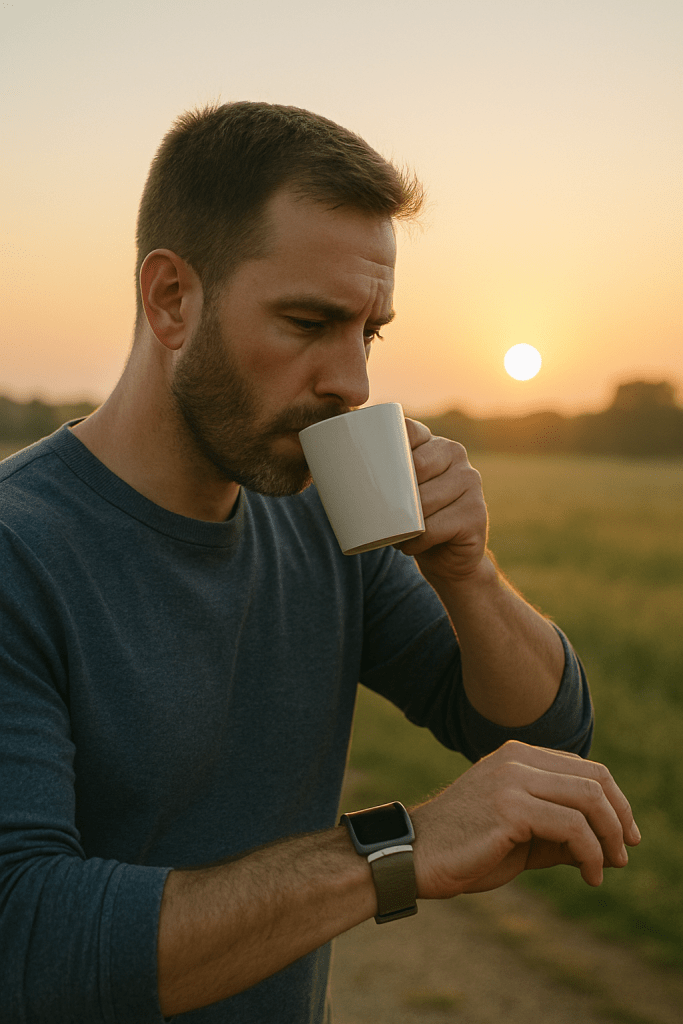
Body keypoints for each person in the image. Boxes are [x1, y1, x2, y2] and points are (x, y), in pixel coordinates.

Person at [0, 101, 639, 1024]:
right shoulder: (22, 552)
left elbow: (544, 732)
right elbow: (28, 947)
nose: (354, 382)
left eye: (368, 331)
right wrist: (396, 849)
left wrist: (468, 574)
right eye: (308, 322)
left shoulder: (314, 513)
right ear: (170, 298)